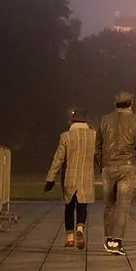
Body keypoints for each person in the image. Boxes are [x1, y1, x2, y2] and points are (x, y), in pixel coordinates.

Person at [94, 90, 136, 256]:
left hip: (108, 166)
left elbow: (98, 145)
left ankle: (108, 238)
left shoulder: (105, 120)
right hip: (127, 166)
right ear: (130, 103)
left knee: (109, 203)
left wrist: (100, 163)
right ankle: (117, 241)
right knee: (123, 206)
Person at [44, 107, 96, 250]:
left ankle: (70, 238)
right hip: (86, 177)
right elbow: (99, 156)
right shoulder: (93, 136)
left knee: (69, 207)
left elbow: (58, 158)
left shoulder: (66, 136)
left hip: (70, 177)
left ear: (72, 121)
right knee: (82, 205)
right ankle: (80, 227)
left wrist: (50, 178)